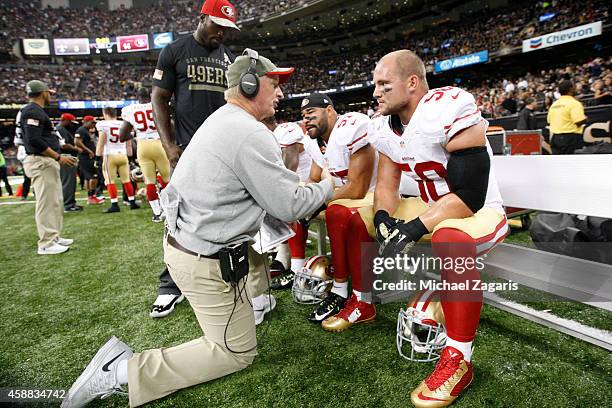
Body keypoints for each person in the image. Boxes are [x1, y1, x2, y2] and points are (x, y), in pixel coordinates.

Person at [62, 50, 335, 408]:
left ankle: (252, 302)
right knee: (236, 352)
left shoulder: (224, 118)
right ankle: (121, 371)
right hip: (204, 259)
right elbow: (289, 205)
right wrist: (332, 184)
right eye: (274, 84)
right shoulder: (248, 132)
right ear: (250, 85)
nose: (281, 93)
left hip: (190, 244)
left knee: (252, 270)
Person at [321, 50, 508, 408]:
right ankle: (362, 302)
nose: (375, 92)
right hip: (431, 207)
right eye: (375, 84)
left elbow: (468, 195)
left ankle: (459, 359)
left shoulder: (447, 107)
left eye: (383, 84)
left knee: (449, 237)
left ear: (412, 82)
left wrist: (412, 228)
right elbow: (387, 187)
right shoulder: (384, 125)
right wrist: (382, 218)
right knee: (347, 212)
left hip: (477, 209)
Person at [149, 0, 239, 318]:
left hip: (224, 150)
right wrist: (169, 145)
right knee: (180, 219)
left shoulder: (228, 57)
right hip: (188, 149)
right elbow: (158, 97)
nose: (222, 33)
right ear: (201, 19)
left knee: (225, 215)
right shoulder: (175, 50)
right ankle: (170, 287)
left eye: (228, 28)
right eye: (218, 26)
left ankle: (224, 276)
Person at [290, 93, 377, 325]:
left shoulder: (351, 127)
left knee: (336, 210)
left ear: (329, 110)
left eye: (311, 114)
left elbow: (357, 189)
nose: (306, 120)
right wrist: (304, 199)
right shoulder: (315, 141)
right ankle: (295, 268)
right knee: (301, 201)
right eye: (303, 116)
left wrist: (317, 201)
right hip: (346, 199)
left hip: (373, 195)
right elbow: (313, 179)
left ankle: (341, 289)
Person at [20, 80, 77, 255]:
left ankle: (54, 236)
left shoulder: (35, 111)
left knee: (55, 201)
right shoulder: (32, 110)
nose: (50, 96)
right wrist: (58, 156)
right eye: (49, 93)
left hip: (45, 161)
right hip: (41, 161)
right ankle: (46, 243)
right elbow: (33, 139)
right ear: (43, 92)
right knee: (46, 203)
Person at [120, 87, 171, 222]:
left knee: (149, 182)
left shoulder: (131, 109)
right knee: (167, 180)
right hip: (159, 143)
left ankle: (156, 213)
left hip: (142, 145)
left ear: (138, 98)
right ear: (150, 96)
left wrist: (135, 133)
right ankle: (169, 210)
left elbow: (122, 136)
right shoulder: (156, 105)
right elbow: (170, 125)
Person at [95, 107, 140, 213]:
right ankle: (132, 202)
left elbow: (101, 142)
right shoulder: (123, 124)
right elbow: (129, 144)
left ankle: (114, 204)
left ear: (105, 113)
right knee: (126, 180)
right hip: (123, 155)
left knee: (110, 181)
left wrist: (97, 158)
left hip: (109, 155)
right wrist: (130, 158)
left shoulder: (103, 124)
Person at [547, 80, 587, 155]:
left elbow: (549, 121)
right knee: (571, 164)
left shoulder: (554, 104)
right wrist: (585, 119)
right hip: (570, 138)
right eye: (574, 87)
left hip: (555, 138)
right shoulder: (574, 103)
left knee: (558, 164)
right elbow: (578, 121)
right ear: (570, 89)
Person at [56, 113, 83, 212]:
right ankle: (68, 204)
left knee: (69, 182)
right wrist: (76, 149)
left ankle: (70, 203)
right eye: (70, 122)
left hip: (65, 157)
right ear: (66, 121)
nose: (71, 125)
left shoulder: (61, 129)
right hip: (66, 157)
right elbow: (63, 145)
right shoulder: (60, 129)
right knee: (68, 182)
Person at [75, 115, 104, 204]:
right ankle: (92, 196)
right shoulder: (81, 130)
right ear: (86, 121)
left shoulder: (85, 131)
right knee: (94, 176)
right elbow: (77, 142)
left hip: (86, 156)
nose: (93, 125)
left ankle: (90, 197)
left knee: (88, 177)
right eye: (92, 122)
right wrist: (89, 151)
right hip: (86, 157)